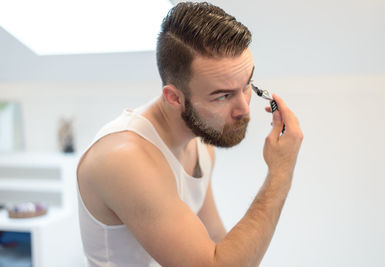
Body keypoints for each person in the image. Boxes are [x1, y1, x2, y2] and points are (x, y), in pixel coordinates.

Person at [76, 2, 303, 267]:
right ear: (174, 98)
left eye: (247, 86)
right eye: (223, 96)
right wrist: (281, 172)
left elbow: (215, 238)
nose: (243, 108)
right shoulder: (124, 159)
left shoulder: (200, 147)